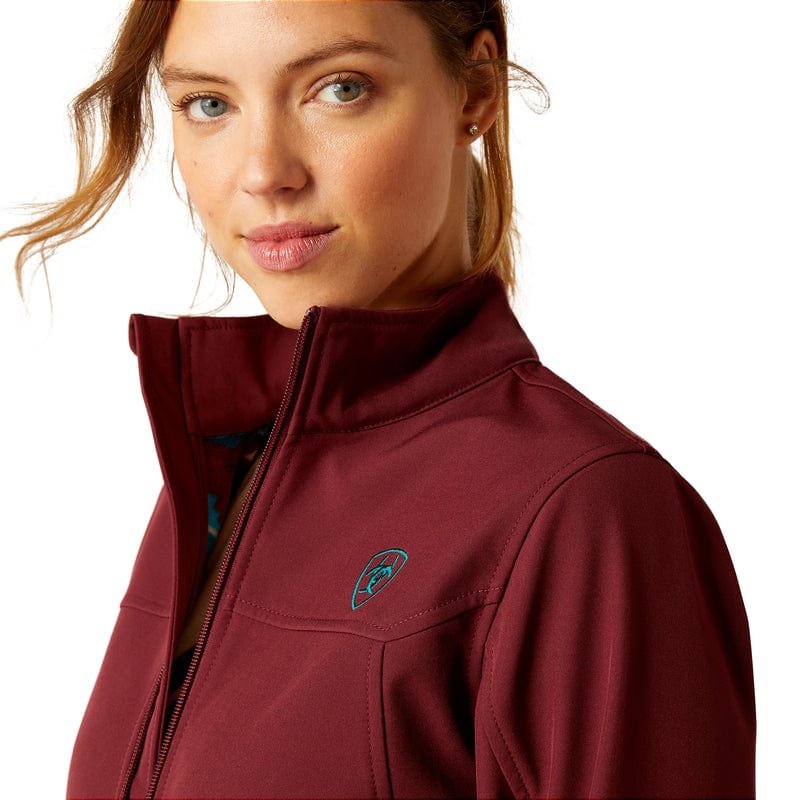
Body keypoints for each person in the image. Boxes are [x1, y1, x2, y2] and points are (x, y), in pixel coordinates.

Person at [2, 1, 756, 798]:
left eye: (341, 88)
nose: (264, 172)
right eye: (210, 103)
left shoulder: (589, 511)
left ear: (476, 89)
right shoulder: (227, 473)